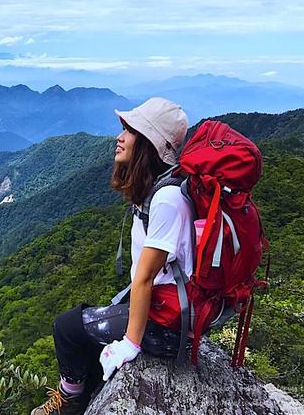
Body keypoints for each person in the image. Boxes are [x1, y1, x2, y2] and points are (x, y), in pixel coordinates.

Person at [31, 98, 193, 415]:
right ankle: (87, 391)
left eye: (130, 131)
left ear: (149, 144)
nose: (119, 137)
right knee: (91, 332)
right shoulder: (161, 190)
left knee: (66, 327)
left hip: (166, 328)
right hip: (167, 313)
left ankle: (71, 400)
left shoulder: (167, 199)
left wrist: (130, 345)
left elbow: (145, 277)